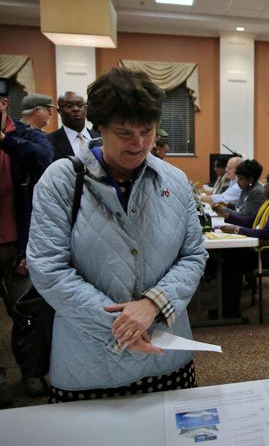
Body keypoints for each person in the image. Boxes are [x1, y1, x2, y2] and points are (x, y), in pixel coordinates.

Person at [26, 67, 208, 403]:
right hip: (90, 362)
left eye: (147, 131)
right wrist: (122, 324)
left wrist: (154, 303)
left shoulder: (175, 181)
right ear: (101, 128)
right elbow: (47, 268)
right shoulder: (62, 180)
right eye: (125, 133)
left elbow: (193, 254)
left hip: (167, 357)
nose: (139, 143)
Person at [0, 93, 55, 397]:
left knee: (27, 314)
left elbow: (43, 159)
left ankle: (31, 372)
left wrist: (3, 140)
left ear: (4, 104)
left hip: (18, 242)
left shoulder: (25, 135)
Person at [219, 170, 269, 319]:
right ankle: (226, 309)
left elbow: (266, 233)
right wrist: (226, 216)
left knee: (234, 260)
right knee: (231, 255)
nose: (264, 187)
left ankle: (230, 312)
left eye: (268, 185)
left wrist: (236, 230)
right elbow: (250, 221)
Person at [48, 91, 100, 161]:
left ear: (86, 108)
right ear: (59, 111)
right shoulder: (49, 142)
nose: (76, 109)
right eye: (69, 106)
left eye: (80, 105)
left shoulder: (100, 137)